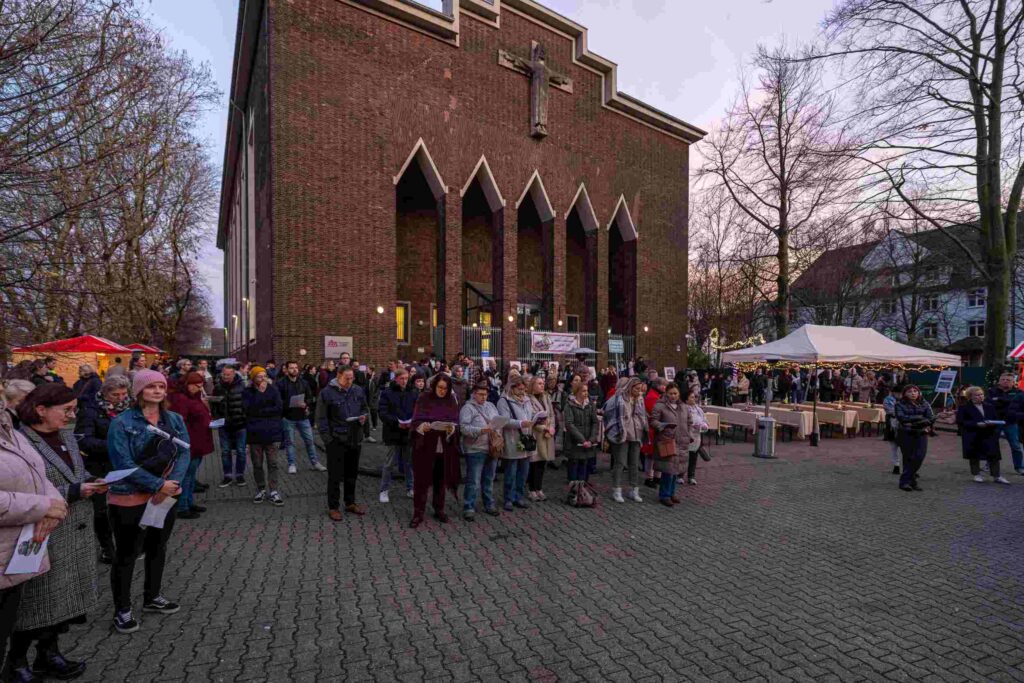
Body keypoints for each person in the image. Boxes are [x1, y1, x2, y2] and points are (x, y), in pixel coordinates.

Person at [12, 384, 107, 680]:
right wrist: (76, 491)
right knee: (35, 604)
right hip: (42, 533)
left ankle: (49, 654)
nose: (72, 416)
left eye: (74, 409)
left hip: (74, 532)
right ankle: (15, 663)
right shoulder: (21, 442)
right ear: (41, 410)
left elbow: (74, 474)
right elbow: (23, 492)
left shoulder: (65, 436)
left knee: (61, 602)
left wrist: (92, 480)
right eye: (66, 410)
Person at [106, 370, 189, 634]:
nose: (157, 391)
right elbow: (122, 462)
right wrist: (157, 485)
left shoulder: (174, 419)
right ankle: (122, 609)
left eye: (161, 387)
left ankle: (152, 596)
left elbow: (184, 453)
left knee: (157, 546)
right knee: (127, 554)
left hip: (165, 496)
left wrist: (173, 483)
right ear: (139, 391)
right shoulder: (122, 423)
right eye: (151, 386)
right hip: (129, 496)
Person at [0, 402, 67, 683]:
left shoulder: (9, 426)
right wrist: (42, 507)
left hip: (13, 554)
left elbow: (38, 475)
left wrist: (55, 505)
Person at [74, 375, 133, 563]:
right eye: (115, 395)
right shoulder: (90, 410)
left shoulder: (129, 409)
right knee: (102, 511)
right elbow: (83, 440)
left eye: (124, 394)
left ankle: (126, 544)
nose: (120, 398)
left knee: (123, 507)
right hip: (99, 466)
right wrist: (114, 445)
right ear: (105, 392)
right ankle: (107, 547)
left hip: (124, 465)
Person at [316, 365, 369, 521]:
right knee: (335, 475)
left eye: (352, 378)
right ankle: (333, 507)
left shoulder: (357, 390)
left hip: (354, 438)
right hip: (336, 439)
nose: (350, 381)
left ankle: (350, 502)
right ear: (338, 376)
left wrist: (363, 418)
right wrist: (328, 440)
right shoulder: (326, 393)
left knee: (352, 473)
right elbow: (321, 418)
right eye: (347, 378)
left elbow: (364, 408)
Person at [409, 374, 461, 528]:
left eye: (445, 388)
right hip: (426, 446)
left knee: (440, 479)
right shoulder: (424, 398)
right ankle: (418, 513)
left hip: (443, 446)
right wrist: (422, 427)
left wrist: (451, 429)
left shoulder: (451, 400)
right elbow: (415, 420)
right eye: (440, 387)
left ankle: (439, 509)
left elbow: (456, 421)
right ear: (434, 386)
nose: (442, 391)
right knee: (421, 481)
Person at [166, 372, 215, 518]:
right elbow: (180, 422)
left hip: (198, 440)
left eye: (201, 386)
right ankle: (182, 507)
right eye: (197, 386)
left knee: (191, 475)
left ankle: (189, 502)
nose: (199, 389)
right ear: (188, 384)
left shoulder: (193, 396)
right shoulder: (181, 399)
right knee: (186, 476)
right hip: (189, 442)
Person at [243, 367, 284, 507]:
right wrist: (260, 394)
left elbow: (279, 408)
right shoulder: (248, 392)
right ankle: (261, 489)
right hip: (255, 434)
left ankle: (274, 491)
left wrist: (260, 412)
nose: (263, 379)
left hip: (272, 433)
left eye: (264, 376)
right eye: (259, 376)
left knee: (273, 463)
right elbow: (248, 409)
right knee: (257, 464)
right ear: (253, 378)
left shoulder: (273, 390)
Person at [459, 382, 500, 520]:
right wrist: (481, 430)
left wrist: (497, 431)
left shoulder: (491, 406)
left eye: (486, 394)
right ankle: (469, 506)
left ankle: (489, 504)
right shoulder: (467, 408)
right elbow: (463, 428)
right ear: (474, 394)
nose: (484, 397)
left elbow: (498, 421)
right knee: (474, 481)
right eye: (481, 394)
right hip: (475, 449)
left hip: (492, 447)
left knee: (489, 479)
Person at [603, 377, 648, 503]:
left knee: (634, 463)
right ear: (630, 387)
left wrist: (643, 429)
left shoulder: (640, 399)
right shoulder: (620, 398)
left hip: (636, 433)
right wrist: (618, 433)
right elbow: (617, 417)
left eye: (640, 389)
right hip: (622, 433)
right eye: (637, 389)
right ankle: (617, 490)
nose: (639, 391)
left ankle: (634, 490)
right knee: (620, 462)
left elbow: (642, 415)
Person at [275, 361, 325, 474]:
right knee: (290, 442)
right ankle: (292, 464)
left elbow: (309, 396)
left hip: (303, 416)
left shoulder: (303, 382)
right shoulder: (280, 383)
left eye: (296, 368)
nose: (294, 370)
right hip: (288, 417)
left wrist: (306, 403)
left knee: (310, 441)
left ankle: (315, 463)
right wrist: (290, 403)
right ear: (286, 370)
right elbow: (277, 401)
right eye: (291, 368)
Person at [497, 375, 536, 512]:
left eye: (524, 389)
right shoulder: (504, 401)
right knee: (511, 472)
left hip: (526, 439)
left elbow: (530, 414)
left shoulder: (527, 399)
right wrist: (520, 423)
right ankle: (508, 498)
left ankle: (519, 497)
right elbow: (504, 420)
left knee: (523, 472)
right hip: (512, 440)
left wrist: (536, 419)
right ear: (512, 388)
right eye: (519, 389)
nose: (522, 392)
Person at [377, 369, 417, 503]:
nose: (404, 381)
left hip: (408, 432)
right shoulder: (387, 393)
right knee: (389, 463)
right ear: (396, 379)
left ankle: (410, 488)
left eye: (406, 378)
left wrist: (413, 421)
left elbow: (418, 410)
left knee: (409, 462)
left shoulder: (413, 392)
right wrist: (396, 422)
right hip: (393, 432)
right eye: (402, 378)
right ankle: (384, 490)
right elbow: (382, 412)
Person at [957, 387, 1011, 485]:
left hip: (989, 433)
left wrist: (993, 424)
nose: (980, 397)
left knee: (994, 455)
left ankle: (997, 475)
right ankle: (976, 474)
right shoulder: (964, 407)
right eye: (977, 395)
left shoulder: (989, 406)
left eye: (981, 394)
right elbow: (961, 422)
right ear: (970, 397)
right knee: (974, 455)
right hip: (973, 434)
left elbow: (995, 418)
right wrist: (976, 424)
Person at [649, 382, 691, 506]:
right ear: (666, 393)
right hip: (667, 440)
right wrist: (661, 426)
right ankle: (664, 495)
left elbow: (689, 421)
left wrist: (688, 433)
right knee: (668, 470)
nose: (673, 396)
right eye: (671, 393)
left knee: (676, 470)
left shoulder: (683, 406)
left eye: (675, 393)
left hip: (681, 441)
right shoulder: (660, 406)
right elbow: (653, 420)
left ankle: (672, 493)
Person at [894, 385, 935, 492]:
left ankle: (906, 479)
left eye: (915, 391)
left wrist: (914, 422)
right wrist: (921, 419)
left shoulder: (924, 403)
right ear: (905, 394)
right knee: (908, 457)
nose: (913, 393)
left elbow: (931, 418)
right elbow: (902, 418)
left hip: (921, 433)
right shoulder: (899, 404)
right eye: (910, 391)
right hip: (906, 433)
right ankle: (908, 482)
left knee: (919, 456)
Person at [212, 365, 247, 487]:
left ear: (233, 374)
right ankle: (227, 475)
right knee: (225, 451)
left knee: (241, 451)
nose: (225, 377)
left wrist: (244, 416)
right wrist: (217, 417)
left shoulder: (242, 386)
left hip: (240, 423)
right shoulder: (218, 387)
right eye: (224, 374)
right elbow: (214, 404)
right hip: (224, 425)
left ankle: (239, 475)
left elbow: (247, 403)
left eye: (228, 374)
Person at [985, 373, 1024, 475]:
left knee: (1016, 446)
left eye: (1008, 380)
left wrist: (1016, 416)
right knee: (992, 444)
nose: (1005, 381)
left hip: (1011, 423)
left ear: (1013, 382)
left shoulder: (1019, 393)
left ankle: (1019, 467)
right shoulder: (991, 391)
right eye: (1003, 379)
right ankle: (989, 464)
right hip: (995, 422)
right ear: (999, 381)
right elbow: (987, 405)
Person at [563, 381, 600, 486]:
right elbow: (569, 424)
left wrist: (591, 439)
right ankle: (574, 488)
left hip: (588, 440)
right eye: (583, 391)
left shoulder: (590, 405)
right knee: (574, 464)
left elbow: (595, 422)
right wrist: (582, 440)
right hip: (574, 442)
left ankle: (583, 488)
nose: (586, 393)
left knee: (584, 464)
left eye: (587, 391)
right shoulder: (569, 405)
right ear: (577, 392)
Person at [526, 375, 555, 501]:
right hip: (536, 434)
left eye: (543, 383)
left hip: (547, 434)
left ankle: (539, 488)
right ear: (532, 385)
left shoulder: (546, 397)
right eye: (539, 383)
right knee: (534, 462)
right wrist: (544, 428)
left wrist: (552, 427)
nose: (542, 385)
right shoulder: (528, 399)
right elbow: (531, 417)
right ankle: (532, 489)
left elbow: (552, 414)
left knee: (543, 462)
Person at [641, 378, 667, 488]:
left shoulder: (657, 396)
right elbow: (656, 413)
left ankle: (656, 476)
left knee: (657, 454)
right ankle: (649, 477)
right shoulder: (652, 397)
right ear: (657, 385)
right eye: (663, 385)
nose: (665, 387)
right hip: (653, 429)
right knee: (651, 455)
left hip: (657, 428)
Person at [683, 387, 710, 485]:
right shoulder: (684, 409)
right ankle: (680, 475)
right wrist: (691, 425)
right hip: (686, 436)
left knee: (693, 458)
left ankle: (691, 476)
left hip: (696, 437)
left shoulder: (698, 409)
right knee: (683, 458)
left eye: (694, 397)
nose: (694, 399)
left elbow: (705, 420)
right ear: (686, 399)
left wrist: (704, 426)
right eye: (691, 397)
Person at [882, 389, 901, 475]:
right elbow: (890, 411)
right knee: (894, 447)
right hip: (892, 425)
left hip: (903, 427)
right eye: (898, 392)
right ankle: (896, 465)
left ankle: (909, 467)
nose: (899, 394)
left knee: (906, 449)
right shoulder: (888, 399)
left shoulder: (907, 400)